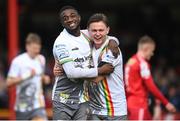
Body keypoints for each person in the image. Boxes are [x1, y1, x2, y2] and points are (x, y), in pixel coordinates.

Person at [52, 6, 119, 120]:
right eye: (65, 18)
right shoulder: (61, 43)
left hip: (83, 99)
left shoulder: (85, 35)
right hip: (63, 100)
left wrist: (113, 41)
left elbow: (103, 35)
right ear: (62, 23)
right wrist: (100, 70)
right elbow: (72, 73)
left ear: (79, 17)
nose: (70, 19)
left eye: (73, 16)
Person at [124, 35, 176, 120]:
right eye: (152, 51)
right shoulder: (142, 64)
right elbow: (151, 85)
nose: (152, 54)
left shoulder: (130, 62)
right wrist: (166, 103)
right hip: (139, 105)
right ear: (146, 49)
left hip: (130, 103)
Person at [86, 13, 127, 120]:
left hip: (114, 111)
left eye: (101, 30)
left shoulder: (112, 50)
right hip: (94, 110)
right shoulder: (87, 47)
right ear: (88, 31)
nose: (97, 33)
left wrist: (71, 73)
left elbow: (95, 79)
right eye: (94, 30)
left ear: (108, 30)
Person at [6, 33, 50, 120]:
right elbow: (8, 83)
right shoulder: (18, 61)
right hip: (22, 106)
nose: (37, 51)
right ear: (27, 46)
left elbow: (41, 77)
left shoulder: (41, 59)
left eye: (38, 49)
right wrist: (26, 76)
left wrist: (45, 79)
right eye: (34, 48)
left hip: (38, 105)